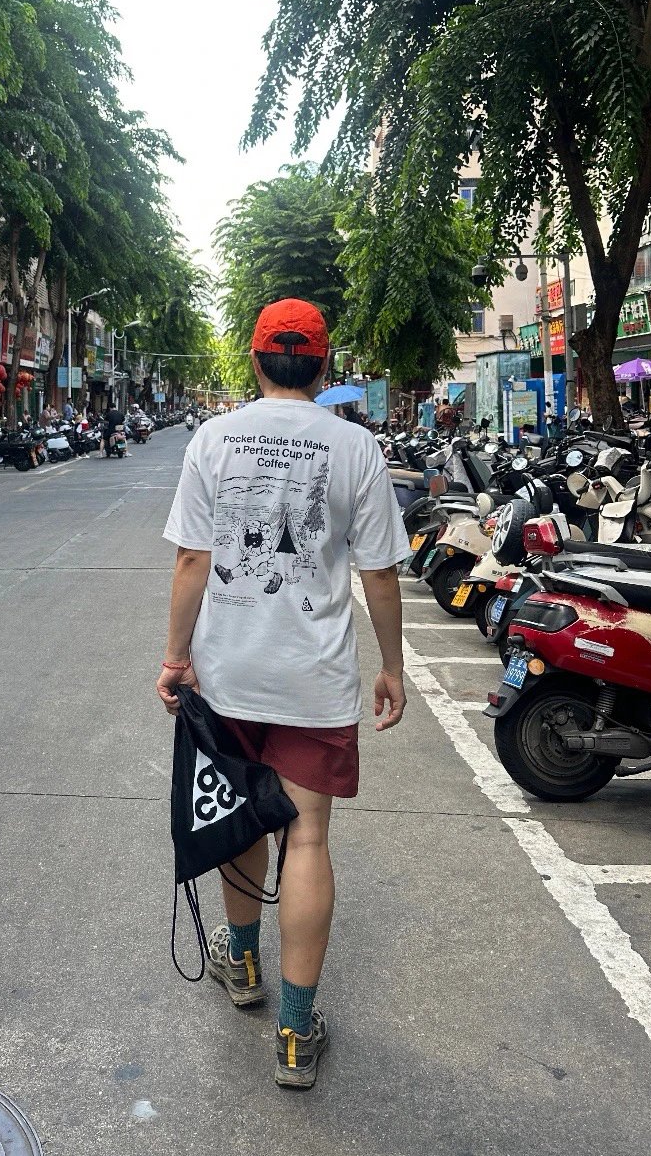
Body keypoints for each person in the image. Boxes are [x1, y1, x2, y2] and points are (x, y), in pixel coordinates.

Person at [158, 297, 409, 1090]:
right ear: (324, 365)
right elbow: (379, 573)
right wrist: (392, 666)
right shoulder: (355, 446)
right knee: (306, 840)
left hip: (228, 675)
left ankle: (242, 964)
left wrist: (175, 657)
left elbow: (192, 561)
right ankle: (296, 1033)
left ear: (255, 358)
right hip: (314, 678)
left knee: (240, 818)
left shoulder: (213, 438)